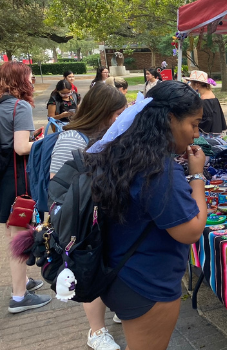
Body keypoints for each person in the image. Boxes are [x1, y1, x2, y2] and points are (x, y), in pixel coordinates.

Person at [86, 81, 207, 349]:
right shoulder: (159, 169)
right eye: (194, 124)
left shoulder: (125, 151)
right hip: (146, 283)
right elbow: (191, 230)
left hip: (121, 273)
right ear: (170, 118)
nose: (196, 134)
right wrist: (197, 174)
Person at [49, 83, 126, 350]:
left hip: (100, 214)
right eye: (118, 113)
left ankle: (117, 307)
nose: (122, 119)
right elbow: (57, 186)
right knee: (88, 267)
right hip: (80, 222)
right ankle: (96, 332)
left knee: (106, 263)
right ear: (103, 112)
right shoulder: (73, 137)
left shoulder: (107, 135)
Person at [0, 62, 51, 313]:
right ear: (21, 80)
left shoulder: (2, 106)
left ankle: (23, 281)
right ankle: (19, 297)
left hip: (3, 178)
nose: (32, 81)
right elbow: (21, 147)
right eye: (30, 77)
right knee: (19, 234)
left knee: (14, 231)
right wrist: (46, 141)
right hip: (17, 178)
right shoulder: (20, 107)